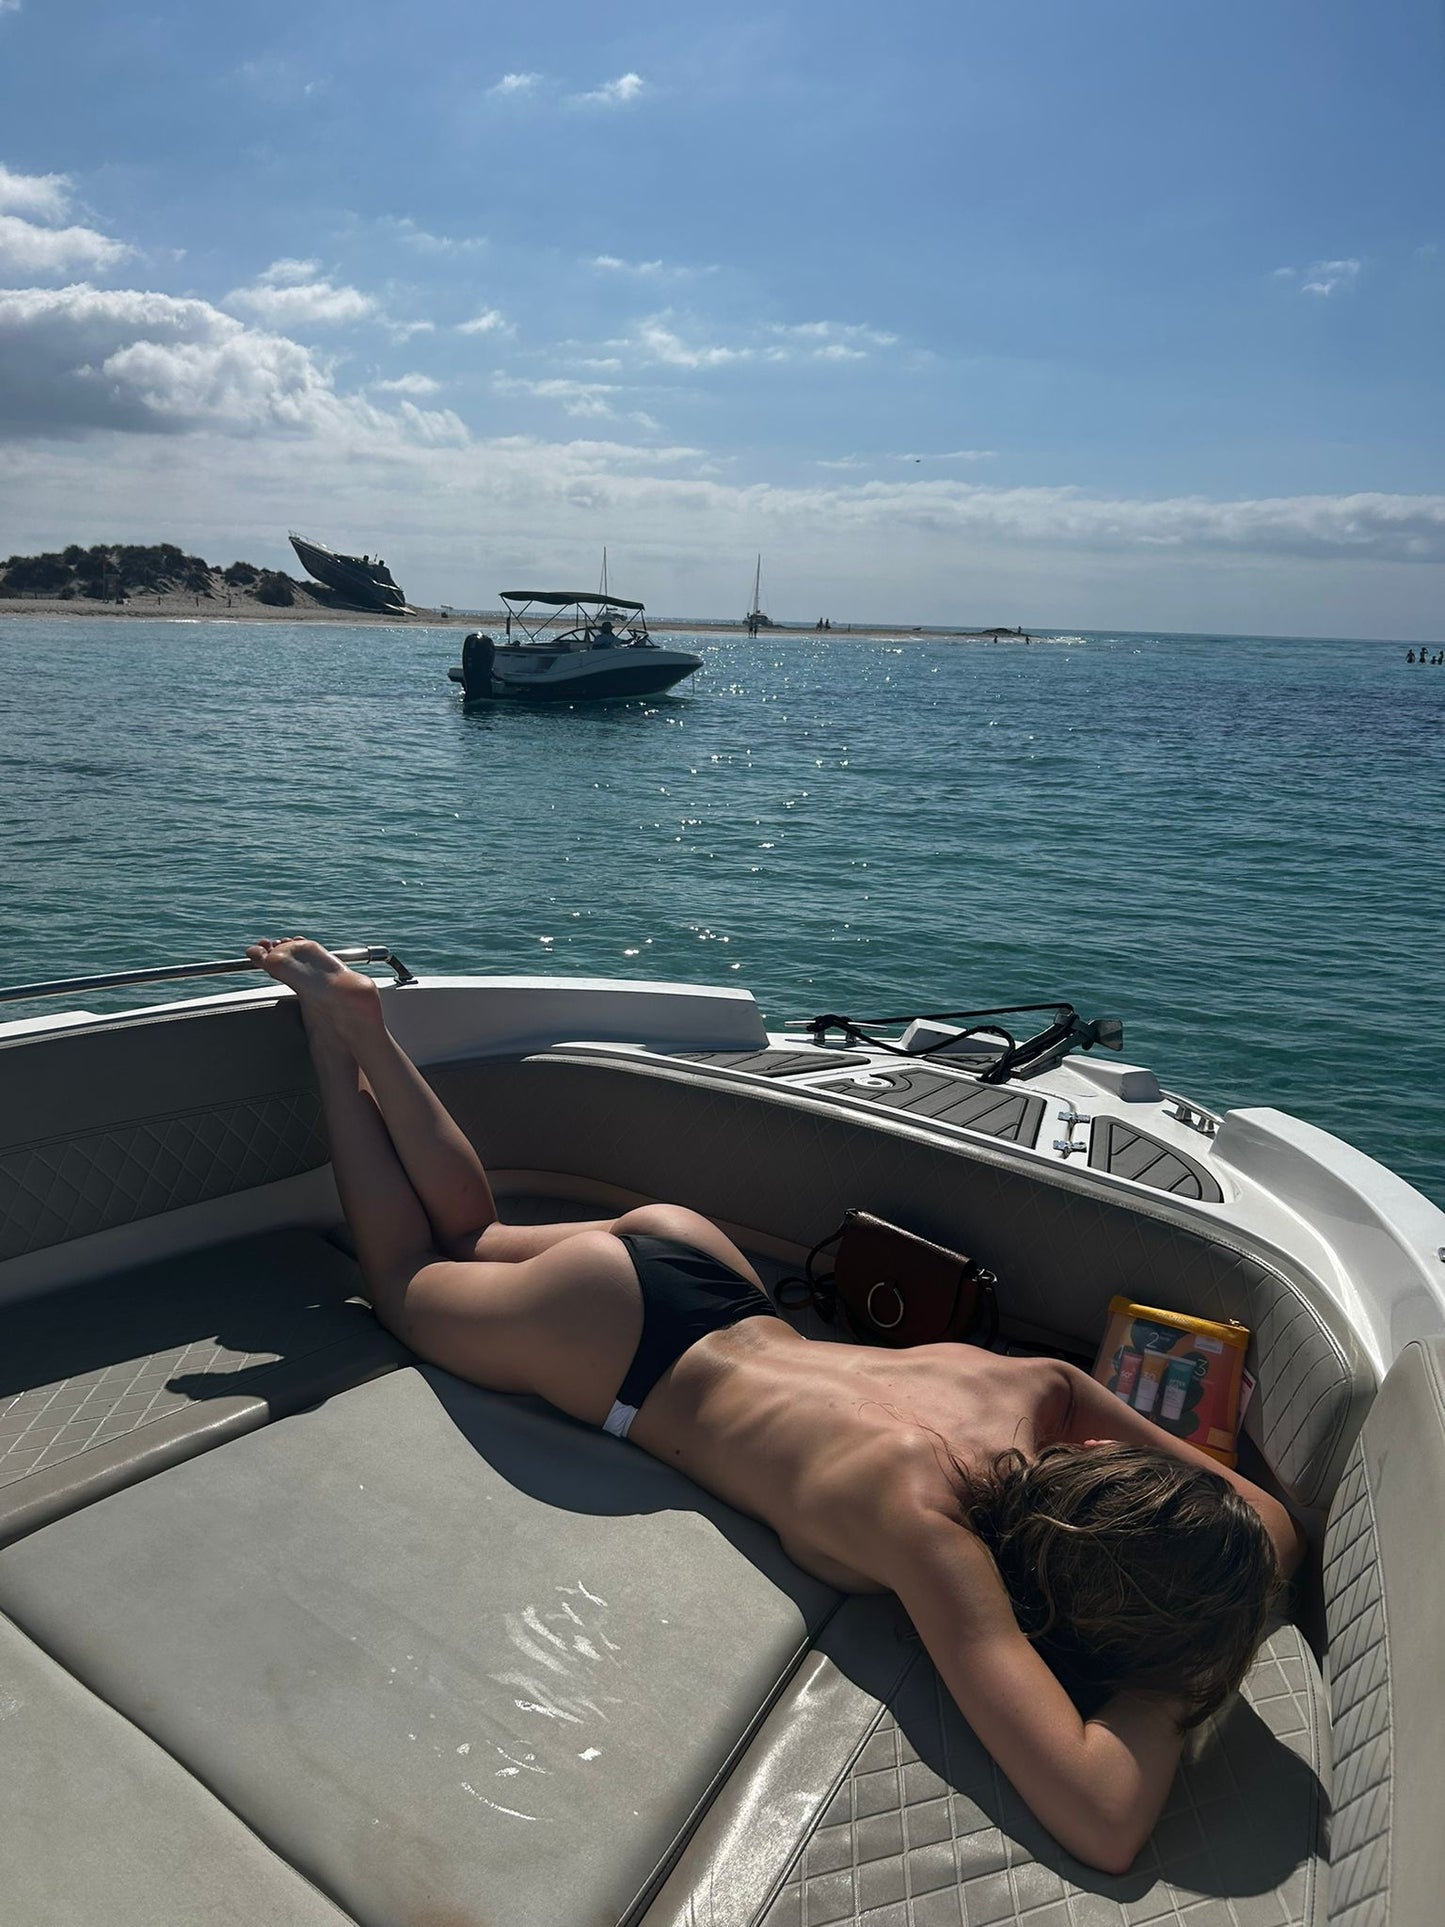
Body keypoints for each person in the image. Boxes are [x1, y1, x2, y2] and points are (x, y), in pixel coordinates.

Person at [246, 938, 1302, 1876]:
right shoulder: (931, 1533)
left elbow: (1268, 1524)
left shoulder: (1035, 1390)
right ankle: (336, 1056)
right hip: (619, 1348)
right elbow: (1101, 1818)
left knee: (471, 1235)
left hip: (698, 1265)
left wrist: (1221, 1573)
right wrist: (1181, 1683)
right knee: (397, 1279)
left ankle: (371, 1035)